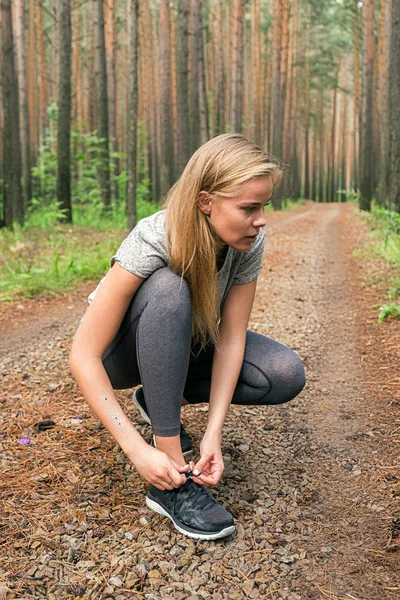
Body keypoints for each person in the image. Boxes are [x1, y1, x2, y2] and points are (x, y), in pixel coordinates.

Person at [69, 133, 306, 541]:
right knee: (169, 289)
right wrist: (137, 450)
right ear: (205, 202)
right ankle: (173, 480)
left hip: (187, 340)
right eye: (249, 208)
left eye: (264, 206)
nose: (262, 219)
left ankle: (160, 398)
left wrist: (213, 431)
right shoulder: (154, 237)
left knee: (283, 373)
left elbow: (231, 339)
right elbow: (84, 355)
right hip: (119, 356)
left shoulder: (249, 241)